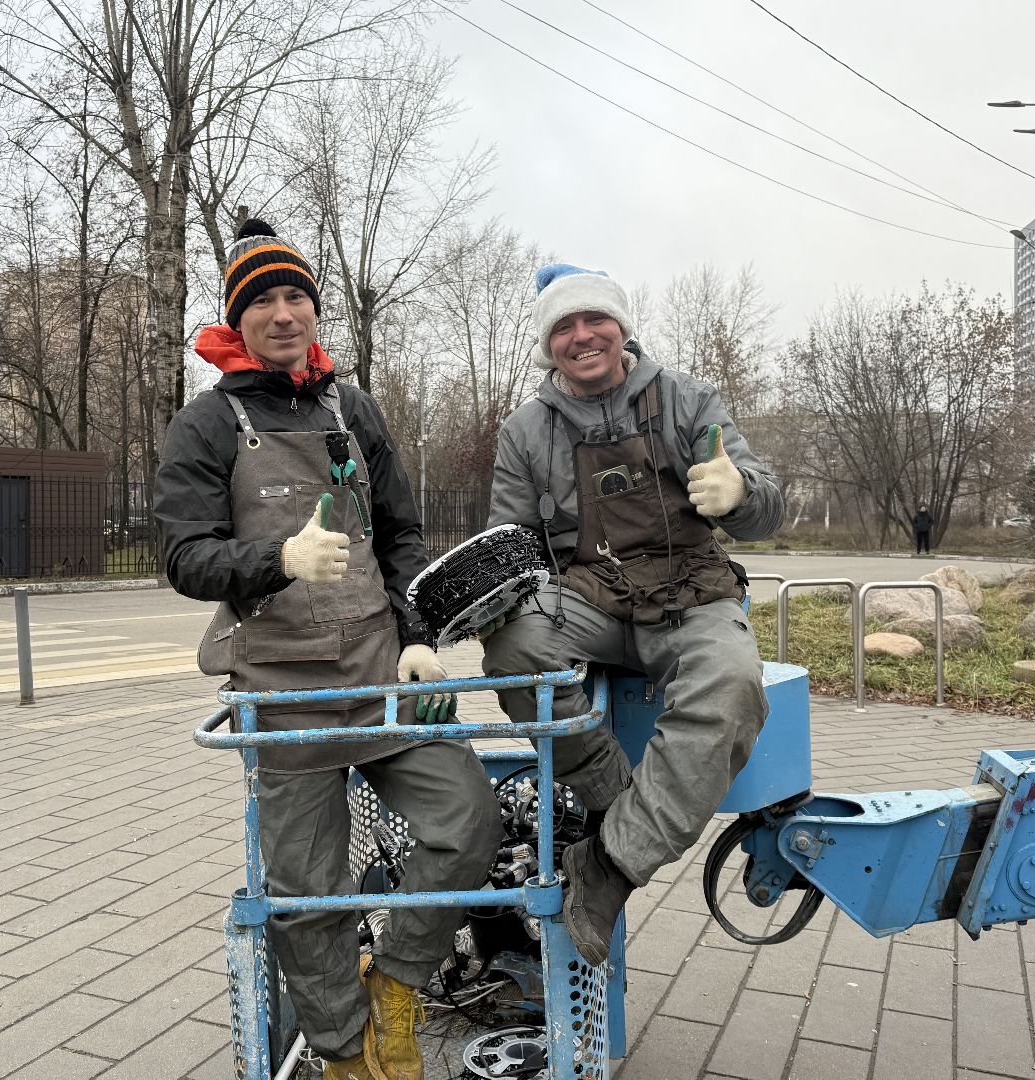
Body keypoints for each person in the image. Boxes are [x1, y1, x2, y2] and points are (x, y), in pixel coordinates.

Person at [155, 219, 501, 1080]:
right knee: (309, 896)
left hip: (383, 675)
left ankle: (397, 984)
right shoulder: (206, 425)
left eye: (295, 296)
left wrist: (420, 636)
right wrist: (276, 560)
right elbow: (183, 558)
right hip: (283, 696)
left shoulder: (355, 407)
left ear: (315, 307)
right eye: (263, 300)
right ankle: (347, 1055)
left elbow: (404, 532)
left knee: (468, 822)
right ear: (239, 320)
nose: (283, 313)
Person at [480, 263, 784, 966]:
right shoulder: (526, 432)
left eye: (596, 321)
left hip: (691, 593)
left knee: (735, 686)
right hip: (590, 596)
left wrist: (739, 493)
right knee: (513, 647)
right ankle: (614, 797)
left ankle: (610, 863)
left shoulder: (686, 399)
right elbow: (511, 544)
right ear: (547, 344)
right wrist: (479, 606)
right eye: (564, 327)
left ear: (622, 329)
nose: (583, 336)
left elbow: (766, 510)